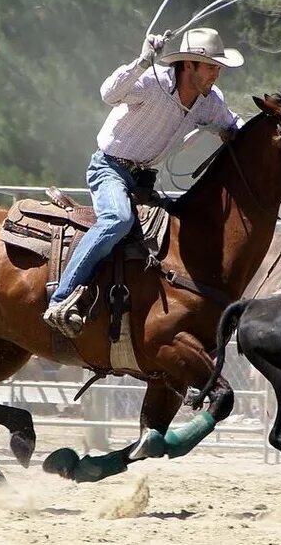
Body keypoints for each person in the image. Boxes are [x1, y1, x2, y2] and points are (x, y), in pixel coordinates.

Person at [43, 28, 245, 338]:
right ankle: (60, 299)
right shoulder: (152, 82)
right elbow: (109, 94)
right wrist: (141, 61)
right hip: (109, 168)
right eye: (211, 66)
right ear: (188, 65)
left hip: (143, 180)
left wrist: (251, 131)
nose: (216, 74)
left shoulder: (210, 102)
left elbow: (234, 125)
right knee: (117, 219)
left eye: (218, 67)